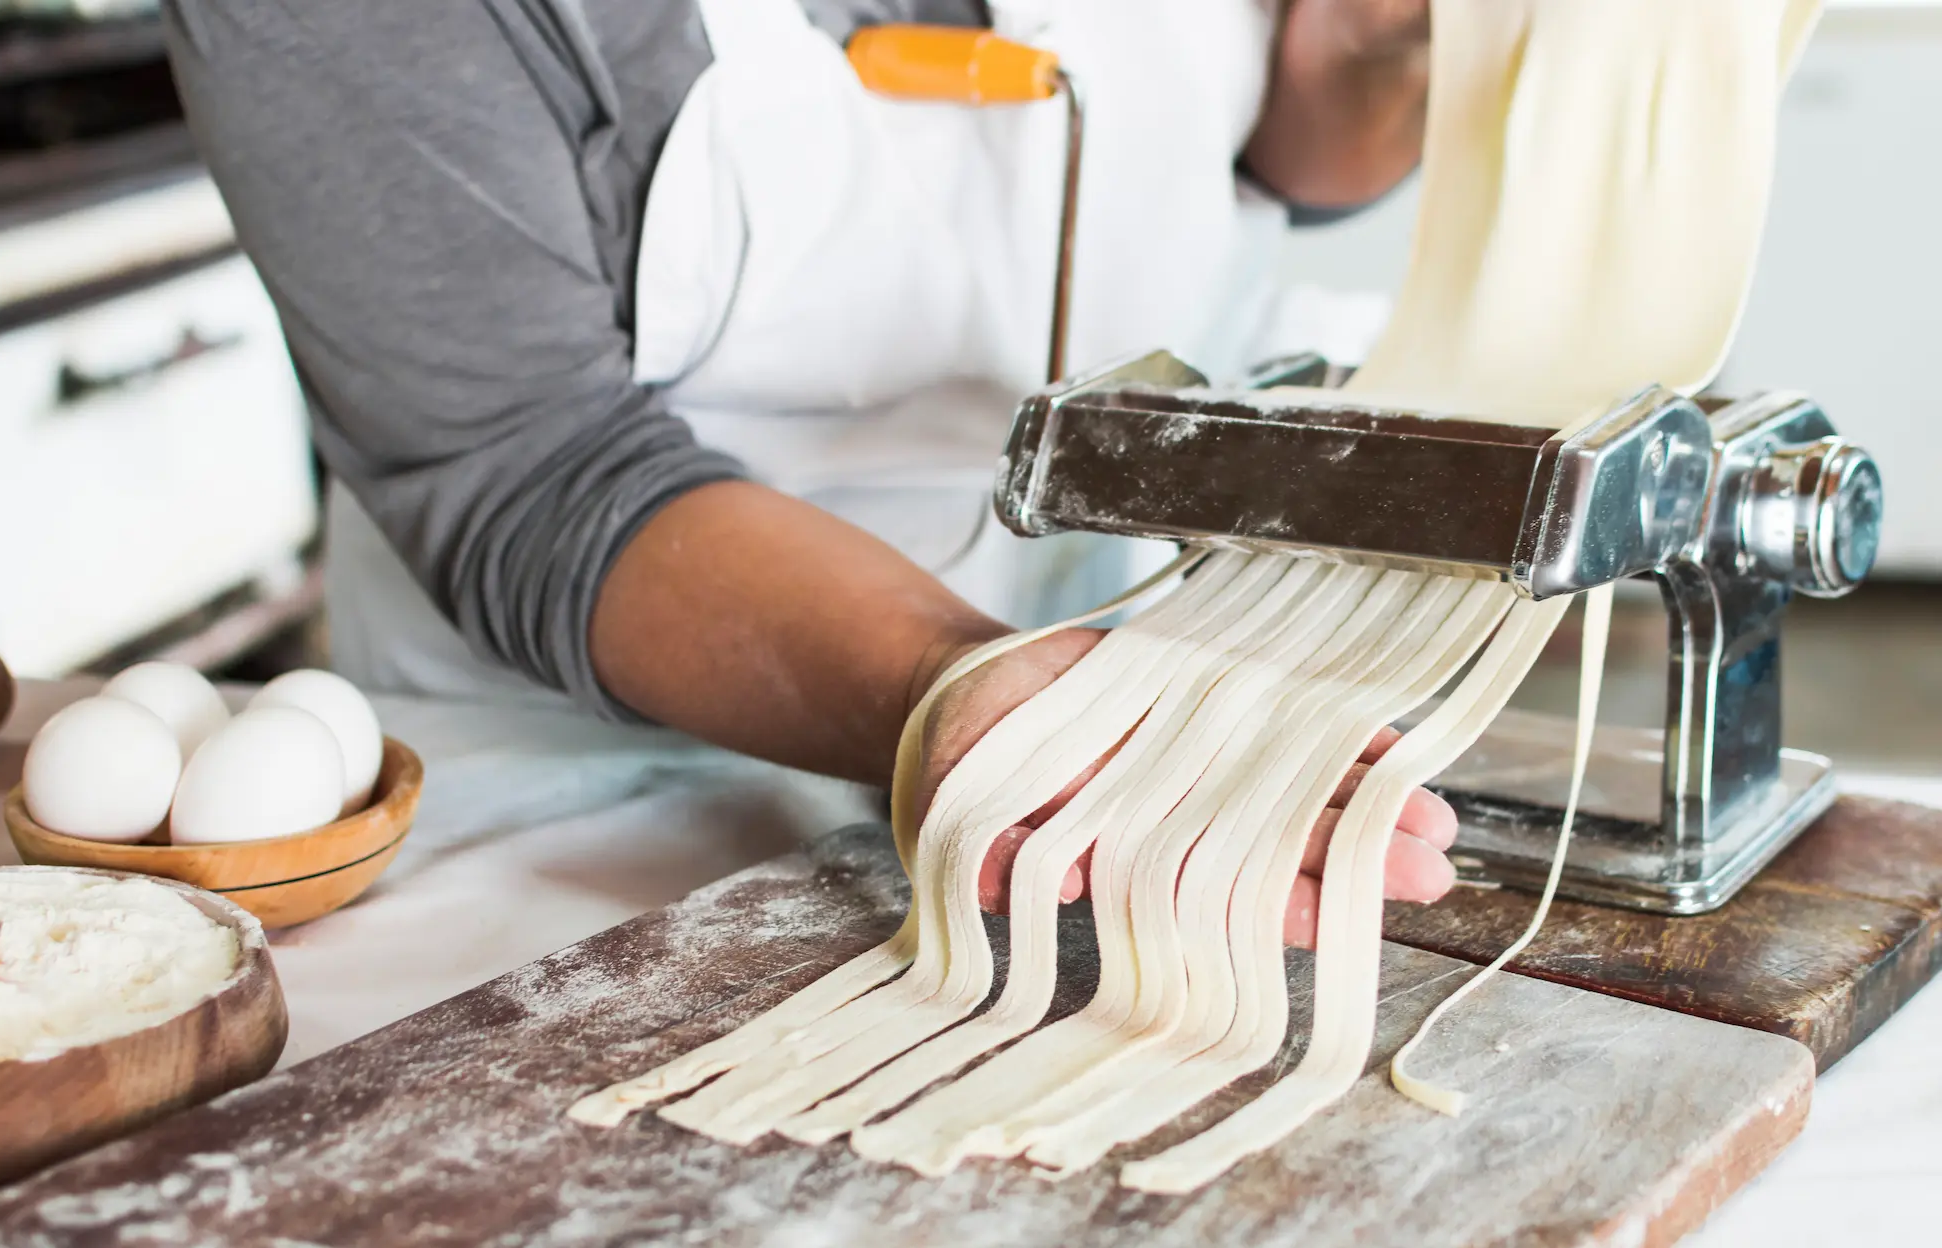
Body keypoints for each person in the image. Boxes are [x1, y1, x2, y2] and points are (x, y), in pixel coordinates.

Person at [160, 0, 1455, 940]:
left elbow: (1247, 127)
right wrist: (948, 676)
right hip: (570, 840)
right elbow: (533, 468)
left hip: (1086, 760)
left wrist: (1371, 33)